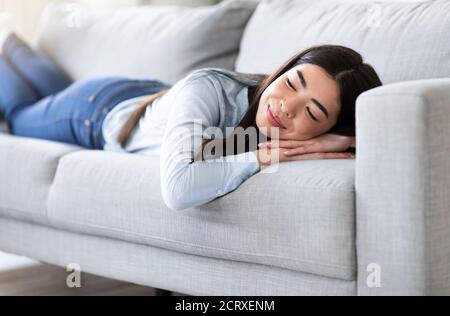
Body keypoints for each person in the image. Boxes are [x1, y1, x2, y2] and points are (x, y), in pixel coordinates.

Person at [0, 33, 382, 211]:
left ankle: (16, 48)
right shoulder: (211, 89)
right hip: (94, 112)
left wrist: (332, 144)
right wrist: (269, 156)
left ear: (330, 128)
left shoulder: (272, 127)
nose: (285, 108)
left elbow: (220, 148)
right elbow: (179, 189)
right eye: (290, 83)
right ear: (282, 69)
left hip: (156, 99)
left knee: (45, 95)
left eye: (312, 114)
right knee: (18, 116)